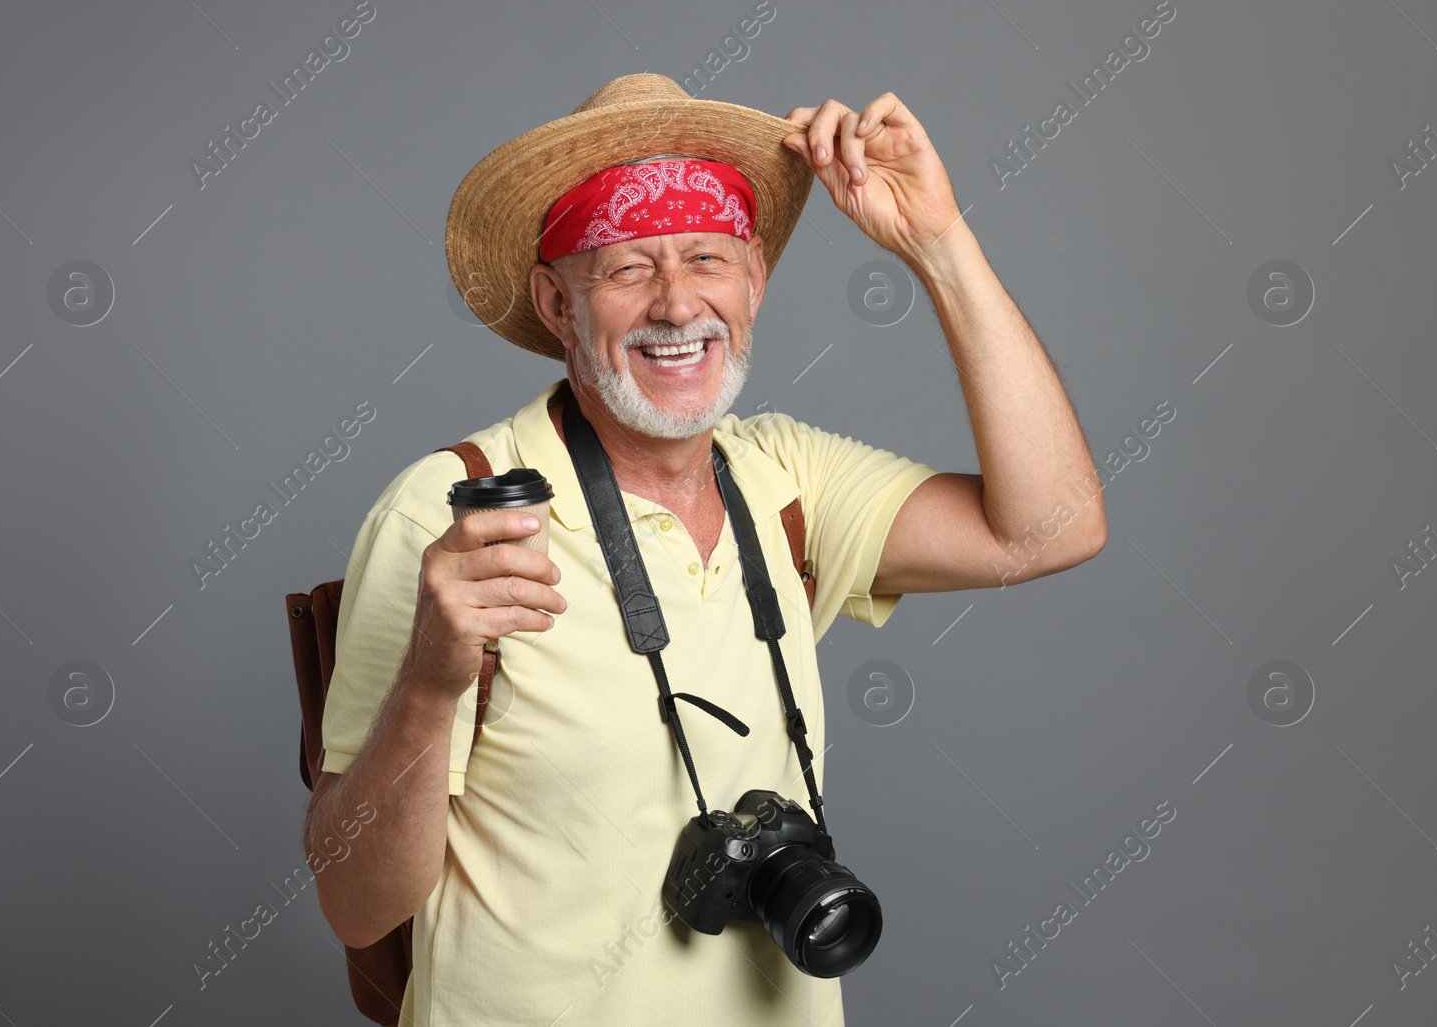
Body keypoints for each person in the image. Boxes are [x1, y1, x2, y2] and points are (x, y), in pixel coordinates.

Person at [304, 73, 1105, 1026]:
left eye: (707, 258)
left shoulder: (785, 479)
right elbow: (355, 907)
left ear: (755, 280)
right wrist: (433, 682)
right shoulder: (453, 516)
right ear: (559, 306)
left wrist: (938, 243)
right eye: (628, 268)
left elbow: (1053, 525)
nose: (679, 305)